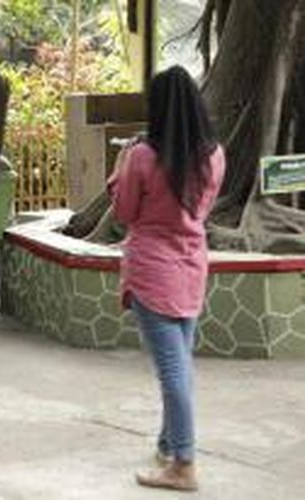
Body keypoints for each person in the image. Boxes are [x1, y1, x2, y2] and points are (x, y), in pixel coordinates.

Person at [107, 66, 226, 492]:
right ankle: (167, 444)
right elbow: (201, 210)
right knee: (181, 365)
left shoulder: (142, 157)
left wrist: (121, 164)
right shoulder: (214, 155)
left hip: (152, 271)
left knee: (172, 370)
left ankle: (184, 464)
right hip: (192, 265)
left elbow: (123, 215)